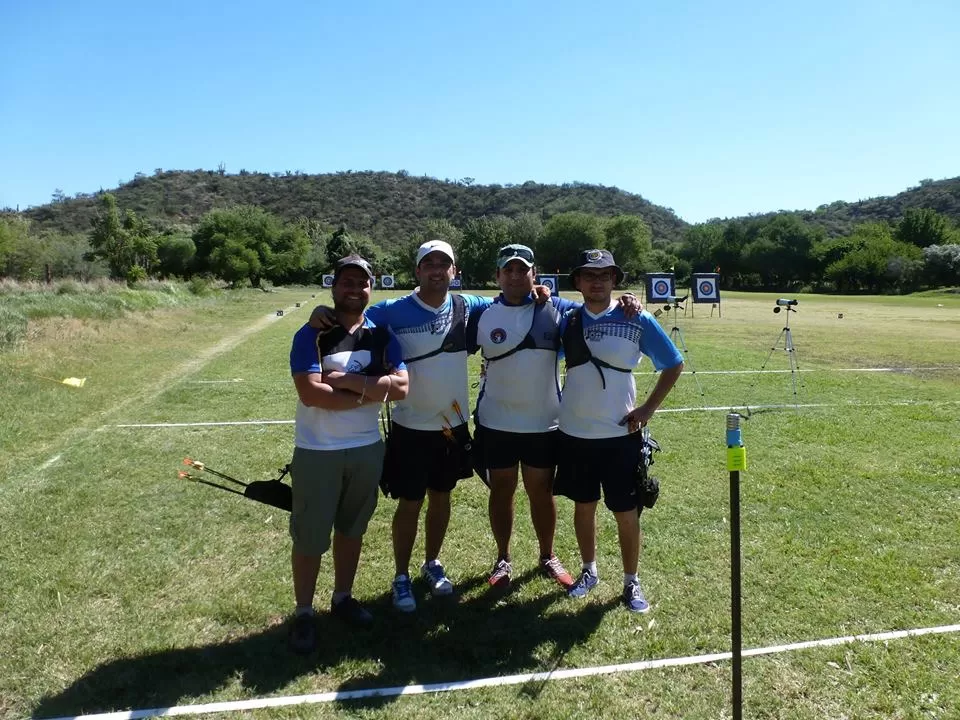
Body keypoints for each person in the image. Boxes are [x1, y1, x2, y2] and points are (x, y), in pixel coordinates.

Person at [309, 240, 549, 612]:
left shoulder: (469, 305)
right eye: (429, 264)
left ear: (455, 272)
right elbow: (353, 318)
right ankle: (401, 575)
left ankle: (431, 563)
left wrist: (538, 290)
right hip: (409, 426)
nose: (437, 270)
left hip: (452, 426)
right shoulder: (391, 311)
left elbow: (512, 300)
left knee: (442, 497)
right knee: (410, 502)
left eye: (444, 264)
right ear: (417, 271)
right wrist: (323, 311)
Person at [469, 244, 641, 591]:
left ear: (535, 274)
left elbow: (597, 308)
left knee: (541, 492)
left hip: (544, 423)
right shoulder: (480, 312)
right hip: (495, 422)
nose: (516, 276)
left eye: (523, 270)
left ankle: (547, 555)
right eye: (509, 270)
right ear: (498, 275)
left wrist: (629, 300)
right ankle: (503, 558)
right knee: (502, 491)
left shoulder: (559, 308)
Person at [287, 254, 409, 653]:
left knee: (352, 529)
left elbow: (402, 388)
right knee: (310, 536)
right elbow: (310, 393)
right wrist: (369, 390)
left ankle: (342, 598)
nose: (354, 289)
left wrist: (343, 382)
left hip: (366, 450)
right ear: (334, 286)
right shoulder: (312, 333)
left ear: (371, 287)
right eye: (346, 282)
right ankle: (304, 612)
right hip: (317, 451)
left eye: (362, 282)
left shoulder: (381, 335)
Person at [554, 249, 683, 613]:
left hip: (620, 436)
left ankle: (630, 581)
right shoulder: (567, 320)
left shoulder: (635, 316)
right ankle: (589, 571)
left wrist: (648, 409)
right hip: (575, 433)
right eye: (589, 275)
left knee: (626, 512)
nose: (597, 281)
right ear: (577, 281)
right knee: (584, 507)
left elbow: (673, 363)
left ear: (615, 280)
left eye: (605, 275)